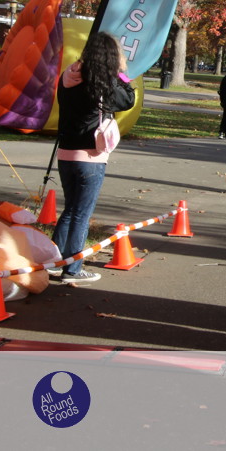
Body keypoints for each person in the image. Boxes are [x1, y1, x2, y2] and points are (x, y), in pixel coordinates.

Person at [53, 33, 136, 283]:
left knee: (70, 210)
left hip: (65, 153)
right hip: (91, 156)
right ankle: (73, 269)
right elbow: (127, 100)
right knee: (81, 214)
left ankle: (54, 261)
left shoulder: (68, 75)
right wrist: (122, 76)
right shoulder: (102, 82)